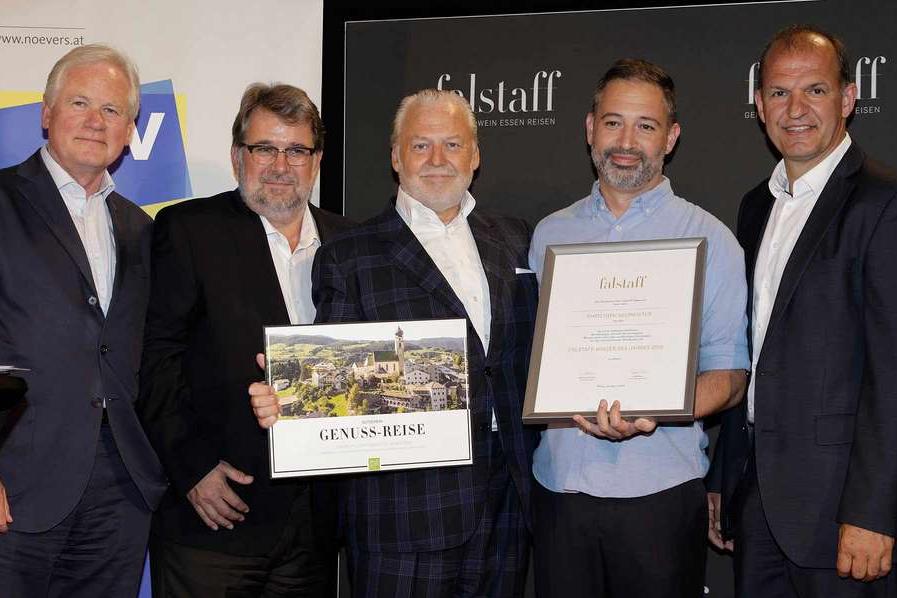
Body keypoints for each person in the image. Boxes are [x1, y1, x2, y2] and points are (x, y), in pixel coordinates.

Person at [250, 88, 540, 597]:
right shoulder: (349, 254)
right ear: (395, 157)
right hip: (404, 513)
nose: (437, 159)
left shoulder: (516, 239)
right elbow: (335, 382)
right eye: (420, 145)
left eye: (453, 145)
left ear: (475, 155)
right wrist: (289, 401)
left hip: (508, 502)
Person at [527, 59, 749, 598]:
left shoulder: (712, 239)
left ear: (670, 138)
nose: (626, 142)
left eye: (645, 126)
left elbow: (730, 375)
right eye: (613, 122)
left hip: (661, 495)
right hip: (560, 491)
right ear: (590, 129)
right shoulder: (549, 235)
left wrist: (659, 408)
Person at [138, 83, 353, 597]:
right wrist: (193, 470)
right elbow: (154, 360)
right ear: (238, 156)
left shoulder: (351, 241)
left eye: (296, 150)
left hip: (316, 523)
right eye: (264, 149)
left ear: (317, 160)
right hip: (216, 515)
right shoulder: (190, 229)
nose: (281, 165)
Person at [709, 25, 897, 597]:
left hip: (843, 512)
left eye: (814, 90)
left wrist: (874, 512)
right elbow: (753, 350)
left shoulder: (883, 202)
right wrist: (725, 477)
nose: (794, 109)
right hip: (759, 502)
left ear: (848, 98)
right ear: (759, 103)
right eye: (778, 92)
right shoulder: (755, 206)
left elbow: (893, 372)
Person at [0, 44, 168, 597]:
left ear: (130, 130)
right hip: (16, 484)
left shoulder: (140, 228)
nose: (96, 121)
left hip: (120, 491)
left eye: (112, 109)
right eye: (80, 103)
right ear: (46, 113)